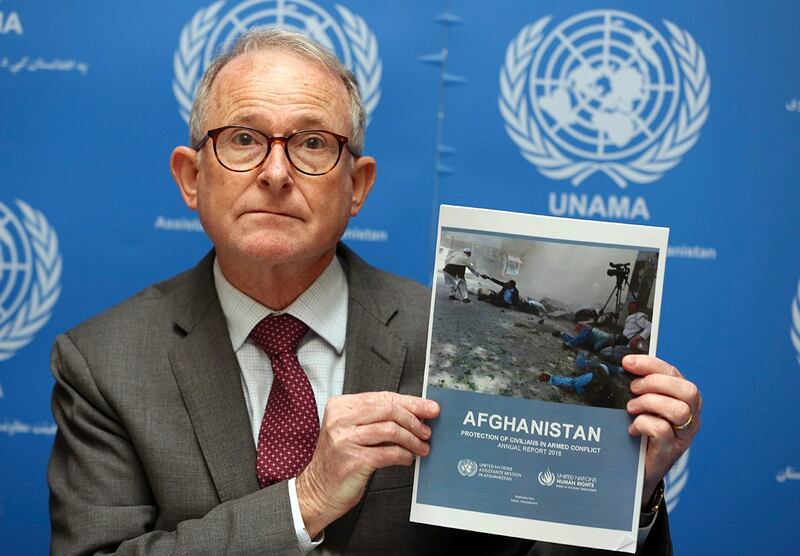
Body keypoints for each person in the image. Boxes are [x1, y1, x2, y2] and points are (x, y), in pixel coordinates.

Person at [48, 28, 701, 555]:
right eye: (243, 139)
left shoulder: (434, 339)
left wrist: (621, 494)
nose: (275, 172)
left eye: (311, 143)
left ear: (357, 187)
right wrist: (305, 501)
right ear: (191, 177)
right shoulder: (105, 362)